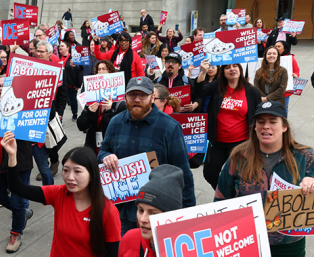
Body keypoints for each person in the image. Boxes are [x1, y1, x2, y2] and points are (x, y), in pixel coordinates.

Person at [1, 134, 121, 257]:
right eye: (66, 170)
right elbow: (18, 188)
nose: (70, 177)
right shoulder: (59, 194)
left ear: (91, 175)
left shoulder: (108, 211)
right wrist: (12, 156)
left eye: (78, 171)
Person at [215, 100, 314, 257]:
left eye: (272, 121)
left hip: (289, 246)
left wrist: (312, 182)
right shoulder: (238, 156)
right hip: (247, 245)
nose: (265, 127)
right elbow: (221, 200)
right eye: (260, 122)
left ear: (284, 126)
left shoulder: (305, 157)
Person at [109, 164, 234, 257]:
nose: (143, 219)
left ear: (171, 217)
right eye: (140, 210)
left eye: (153, 213)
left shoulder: (194, 253)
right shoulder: (129, 240)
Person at [97, 76, 196, 236]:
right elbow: (103, 151)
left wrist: (187, 214)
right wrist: (106, 156)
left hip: (155, 212)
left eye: (142, 95)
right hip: (120, 212)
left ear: (152, 97)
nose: (137, 99)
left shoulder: (170, 127)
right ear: (125, 97)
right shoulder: (115, 122)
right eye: (132, 95)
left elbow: (182, 173)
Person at [194, 60, 262, 190]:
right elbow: (199, 92)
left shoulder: (252, 92)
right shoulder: (216, 87)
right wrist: (203, 72)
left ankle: (233, 198)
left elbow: (258, 117)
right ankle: (225, 193)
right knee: (209, 173)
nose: (232, 69)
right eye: (227, 67)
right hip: (217, 142)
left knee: (239, 175)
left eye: (235, 66)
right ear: (223, 72)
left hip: (241, 143)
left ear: (240, 70)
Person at [0, 77, 33, 253]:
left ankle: (16, 233)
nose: (1, 88)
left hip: (18, 162)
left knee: (17, 199)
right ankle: (22, 212)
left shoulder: (21, 107)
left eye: (5, 85)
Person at [77, 60, 126, 155]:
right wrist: (89, 113)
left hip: (110, 150)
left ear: (110, 73)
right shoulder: (92, 99)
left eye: (104, 69)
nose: (101, 71)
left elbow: (119, 130)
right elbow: (81, 126)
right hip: (92, 147)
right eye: (99, 69)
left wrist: (109, 112)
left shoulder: (119, 103)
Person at [35, 40, 68, 180]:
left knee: (52, 139)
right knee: (38, 139)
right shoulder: (32, 67)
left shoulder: (58, 70)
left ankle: (54, 161)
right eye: (38, 51)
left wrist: (60, 112)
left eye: (42, 51)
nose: (39, 54)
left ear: (49, 53)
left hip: (51, 109)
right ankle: (44, 165)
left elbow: (62, 94)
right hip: (35, 108)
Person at [59, 41, 83, 121]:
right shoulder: (58, 57)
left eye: (62, 46)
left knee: (73, 100)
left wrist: (78, 84)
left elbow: (79, 71)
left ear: (68, 48)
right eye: (59, 46)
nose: (60, 47)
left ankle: (75, 114)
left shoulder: (73, 57)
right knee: (61, 102)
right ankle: (60, 117)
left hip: (71, 84)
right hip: (60, 84)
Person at [275, 41, 299, 115]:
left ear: (284, 48)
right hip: (273, 89)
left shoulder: (291, 59)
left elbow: (296, 71)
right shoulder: (271, 58)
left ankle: (284, 124)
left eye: (279, 46)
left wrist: (295, 75)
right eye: (275, 46)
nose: (276, 48)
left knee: (284, 107)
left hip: (286, 89)